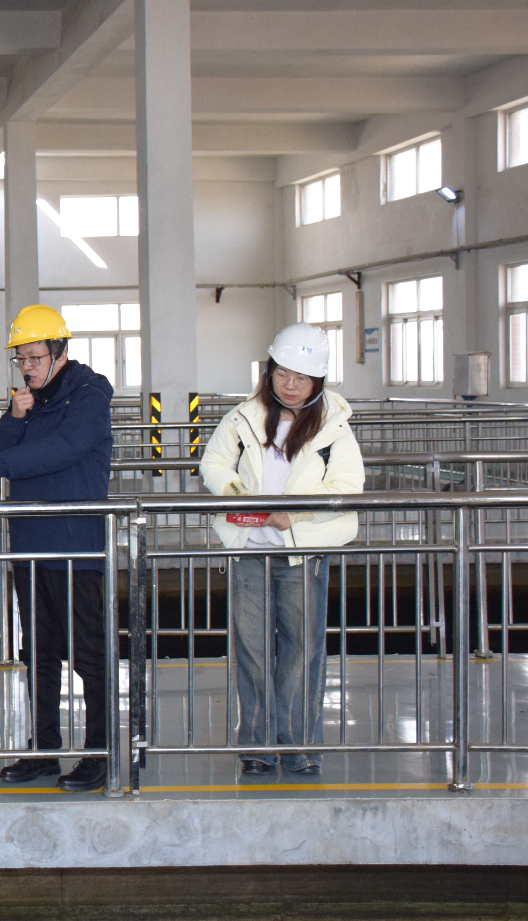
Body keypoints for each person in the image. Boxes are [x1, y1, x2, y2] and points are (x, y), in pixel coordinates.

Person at [199, 322, 363, 777]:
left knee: (302, 652)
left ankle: (299, 747)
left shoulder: (333, 428)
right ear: (269, 372)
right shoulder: (244, 417)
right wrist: (236, 493)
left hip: (302, 554)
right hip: (250, 550)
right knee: (252, 651)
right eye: (283, 374)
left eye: (302, 378)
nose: (290, 385)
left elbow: (347, 486)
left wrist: (293, 516)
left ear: (318, 381)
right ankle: (258, 746)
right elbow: (213, 462)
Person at [0, 305, 115, 792]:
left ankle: (100, 753)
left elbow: (65, 449)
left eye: (35, 357)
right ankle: (43, 750)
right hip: (31, 544)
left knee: (87, 652)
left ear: (60, 352)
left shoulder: (88, 396)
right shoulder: (29, 401)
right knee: (38, 652)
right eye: (20, 359)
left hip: (74, 545)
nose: (27, 367)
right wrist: (14, 417)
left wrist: (1, 467)